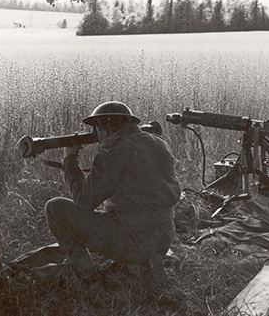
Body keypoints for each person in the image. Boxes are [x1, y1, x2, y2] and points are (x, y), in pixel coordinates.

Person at [44, 101, 181, 282]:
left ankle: (87, 276)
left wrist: (69, 158)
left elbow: (83, 201)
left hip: (135, 242)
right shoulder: (158, 142)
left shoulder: (113, 149)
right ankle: (142, 262)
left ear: (105, 127)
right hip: (163, 239)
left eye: (96, 129)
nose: (95, 135)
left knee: (55, 208)